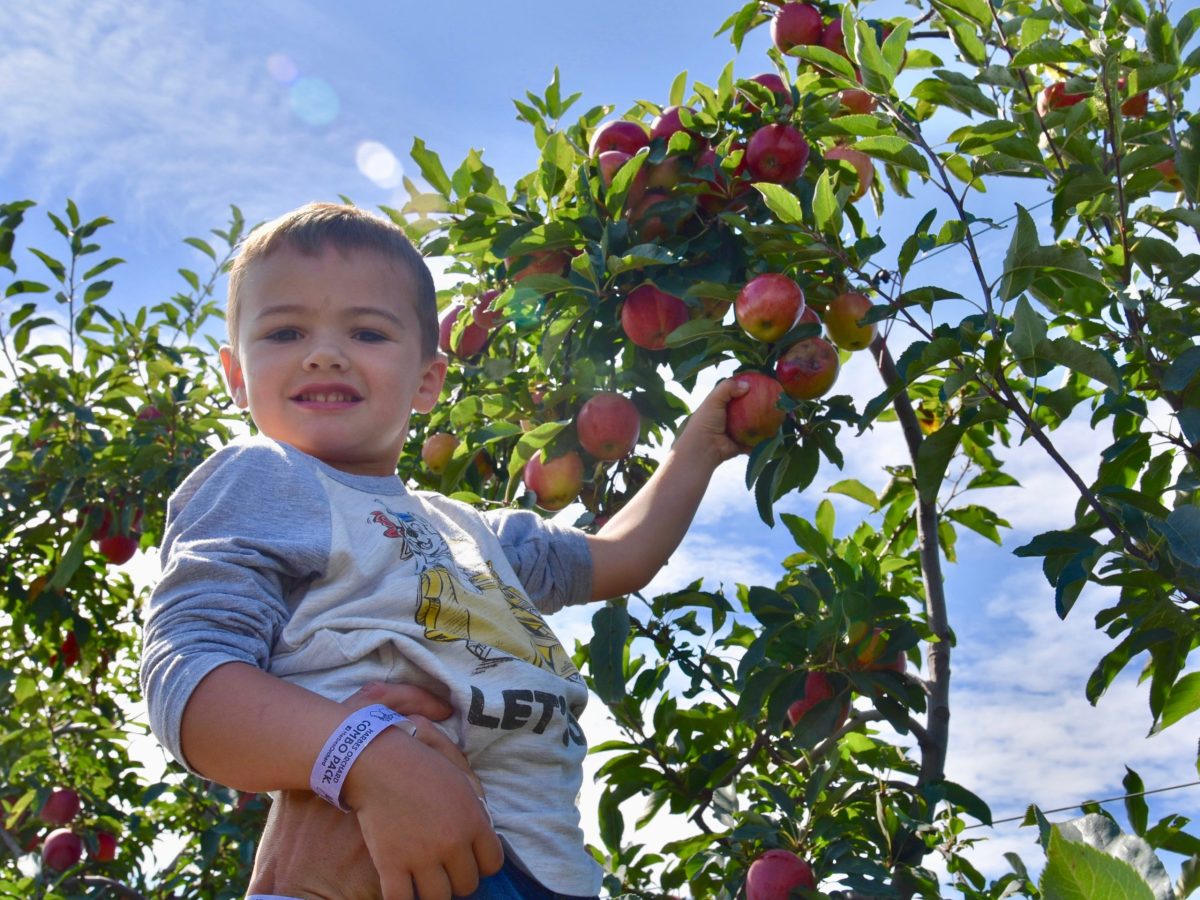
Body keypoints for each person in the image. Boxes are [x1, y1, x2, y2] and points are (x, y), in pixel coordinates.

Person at [139, 202, 749, 900]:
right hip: (384, 855)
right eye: (284, 331)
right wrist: (363, 759)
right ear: (237, 375)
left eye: (367, 331)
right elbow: (189, 677)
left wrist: (697, 450)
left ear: (428, 380)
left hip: (548, 868)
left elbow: (621, 557)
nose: (324, 352)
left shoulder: (472, 532)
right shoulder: (265, 476)